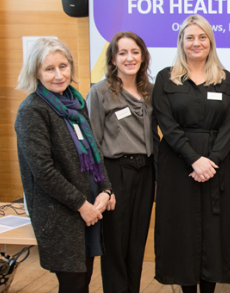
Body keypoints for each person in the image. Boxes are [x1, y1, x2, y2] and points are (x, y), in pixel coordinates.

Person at [14, 37, 112, 293]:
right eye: (49, 69)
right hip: (61, 214)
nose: (59, 75)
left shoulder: (75, 103)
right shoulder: (32, 110)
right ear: (36, 73)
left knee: (84, 280)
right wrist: (81, 205)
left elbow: (94, 151)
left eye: (63, 66)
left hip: (88, 208)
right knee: (73, 284)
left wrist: (106, 189)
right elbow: (43, 172)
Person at [152, 15, 230, 293]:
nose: (196, 42)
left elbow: (229, 126)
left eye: (202, 37)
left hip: (216, 167)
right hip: (178, 166)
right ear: (181, 42)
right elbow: (167, 124)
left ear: (210, 41)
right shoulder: (165, 78)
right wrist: (194, 159)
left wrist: (211, 161)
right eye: (189, 37)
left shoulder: (226, 80)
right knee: (181, 230)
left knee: (214, 232)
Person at [86, 31, 157, 293]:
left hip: (145, 171)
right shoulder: (100, 92)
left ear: (143, 56)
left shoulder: (150, 91)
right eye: (123, 53)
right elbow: (92, 143)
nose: (130, 58)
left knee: (137, 242)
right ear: (113, 59)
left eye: (135, 52)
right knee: (115, 244)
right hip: (115, 172)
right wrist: (104, 186)